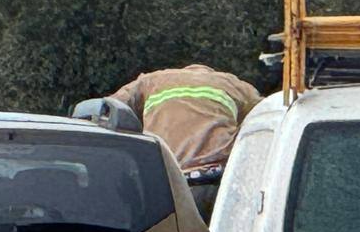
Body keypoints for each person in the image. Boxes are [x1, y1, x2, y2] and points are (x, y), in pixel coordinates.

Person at [109, 65, 262, 219]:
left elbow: (108, 108)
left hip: (169, 182)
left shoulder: (149, 82)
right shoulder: (232, 83)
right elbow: (268, 113)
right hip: (221, 181)